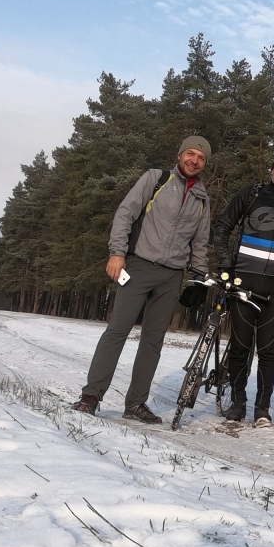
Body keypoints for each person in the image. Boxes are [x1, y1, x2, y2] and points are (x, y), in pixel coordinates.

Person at [73, 136, 212, 422]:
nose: (194, 160)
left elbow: (200, 241)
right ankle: (91, 396)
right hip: (138, 266)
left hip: (172, 276)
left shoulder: (202, 198)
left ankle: (135, 404)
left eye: (201, 158)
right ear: (179, 155)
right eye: (190, 153)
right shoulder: (156, 179)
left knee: (153, 340)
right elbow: (126, 213)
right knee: (117, 330)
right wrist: (117, 253)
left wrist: (199, 277)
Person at [210, 147, 274, 427]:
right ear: (273, 167)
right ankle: (237, 403)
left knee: (267, 350)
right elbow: (222, 226)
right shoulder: (250, 194)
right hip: (243, 281)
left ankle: (262, 409)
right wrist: (224, 265)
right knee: (240, 347)